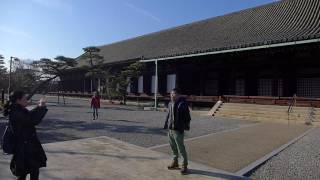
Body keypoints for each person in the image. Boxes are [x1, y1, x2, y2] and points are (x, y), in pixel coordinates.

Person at [3, 91, 48, 180]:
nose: (27, 100)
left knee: (24, 171)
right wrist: (41, 107)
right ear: (18, 100)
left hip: (26, 146)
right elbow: (31, 120)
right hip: (25, 147)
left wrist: (39, 107)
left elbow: (29, 115)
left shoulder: (18, 109)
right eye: (24, 98)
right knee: (32, 170)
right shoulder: (16, 112)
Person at [164, 88, 191, 175]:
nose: (172, 95)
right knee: (173, 148)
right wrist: (166, 125)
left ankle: (184, 166)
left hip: (178, 130)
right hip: (170, 129)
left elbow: (187, 117)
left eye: (174, 94)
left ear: (178, 95)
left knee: (181, 148)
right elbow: (168, 115)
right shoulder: (170, 103)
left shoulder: (182, 104)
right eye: (171, 94)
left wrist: (184, 127)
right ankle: (175, 162)